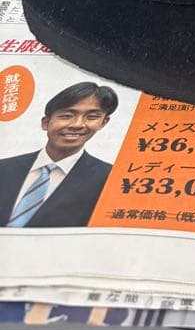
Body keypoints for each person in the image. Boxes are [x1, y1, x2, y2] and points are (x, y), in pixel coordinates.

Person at [0, 81, 118, 227]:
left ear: (103, 122)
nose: (78, 124)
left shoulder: (110, 179)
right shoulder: (4, 168)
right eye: (67, 116)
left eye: (92, 117)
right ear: (45, 123)